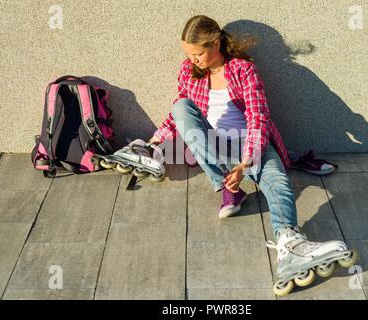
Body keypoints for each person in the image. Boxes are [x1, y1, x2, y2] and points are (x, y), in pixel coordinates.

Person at [147, 15, 357, 296]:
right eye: (188, 54)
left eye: (198, 53)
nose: (192, 60)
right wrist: (156, 140)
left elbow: (259, 118)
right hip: (212, 143)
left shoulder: (244, 70)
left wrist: (246, 163)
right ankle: (227, 187)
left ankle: (289, 243)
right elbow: (181, 114)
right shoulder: (189, 71)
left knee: (276, 179)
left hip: (249, 142)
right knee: (182, 106)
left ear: (216, 43)